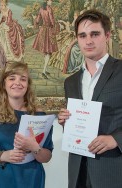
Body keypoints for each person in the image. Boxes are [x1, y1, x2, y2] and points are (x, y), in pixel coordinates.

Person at [58, 9, 122, 188]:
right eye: (82, 35)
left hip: (114, 170)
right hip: (79, 170)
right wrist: (66, 122)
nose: (88, 41)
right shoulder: (70, 82)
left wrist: (116, 139)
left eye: (95, 34)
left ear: (107, 35)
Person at [0, 62, 53, 188]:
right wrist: (3, 155)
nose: (17, 83)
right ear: (4, 83)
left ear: (28, 85)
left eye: (23, 79)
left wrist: (35, 148)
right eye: (12, 78)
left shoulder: (40, 116)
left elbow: (47, 157)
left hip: (31, 181)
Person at [32, 0, 58, 79]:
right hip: (49, 31)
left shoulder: (41, 9)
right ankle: (43, 71)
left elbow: (37, 20)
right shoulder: (49, 9)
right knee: (48, 52)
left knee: (46, 51)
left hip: (42, 30)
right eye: (50, 0)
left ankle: (45, 69)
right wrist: (55, 25)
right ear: (47, 1)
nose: (52, 2)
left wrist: (35, 19)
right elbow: (52, 21)